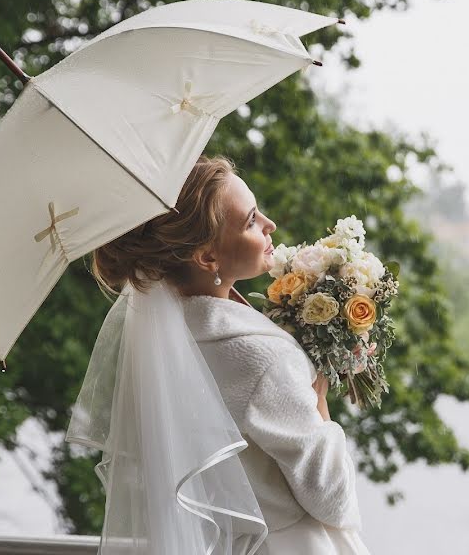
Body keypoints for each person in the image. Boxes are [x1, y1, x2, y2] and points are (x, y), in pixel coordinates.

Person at [78, 154, 371, 554]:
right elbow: (331, 498)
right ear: (208, 257)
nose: (269, 224)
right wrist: (320, 404)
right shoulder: (261, 356)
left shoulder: (164, 337)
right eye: (250, 220)